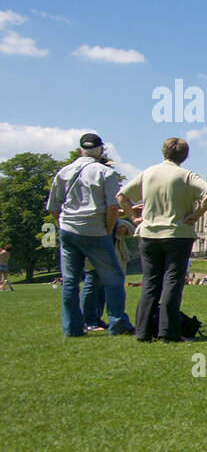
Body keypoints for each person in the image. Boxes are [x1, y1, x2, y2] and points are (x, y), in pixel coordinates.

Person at [116, 137, 207, 342]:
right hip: (178, 234)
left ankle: (142, 332)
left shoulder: (148, 173)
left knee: (150, 282)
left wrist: (134, 218)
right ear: (185, 156)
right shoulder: (186, 175)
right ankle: (167, 333)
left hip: (149, 234)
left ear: (163, 152)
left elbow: (121, 196)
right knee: (172, 282)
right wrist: (197, 214)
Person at [46, 133, 132, 336]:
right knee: (114, 278)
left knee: (70, 281)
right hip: (95, 231)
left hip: (68, 230)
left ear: (79, 150)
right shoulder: (105, 173)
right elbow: (112, 207)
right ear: (101, 151)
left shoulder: (63, 172)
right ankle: (117, 323)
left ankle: (72, 329)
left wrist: (63, 224)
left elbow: (53, 207)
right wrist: (108, 229)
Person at [82, 216, 134, 329]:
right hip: (95, 244)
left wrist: (122, 226)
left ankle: (95, 319)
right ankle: (89, 321)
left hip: (109, 247)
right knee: (93, 283)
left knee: (100, 288)